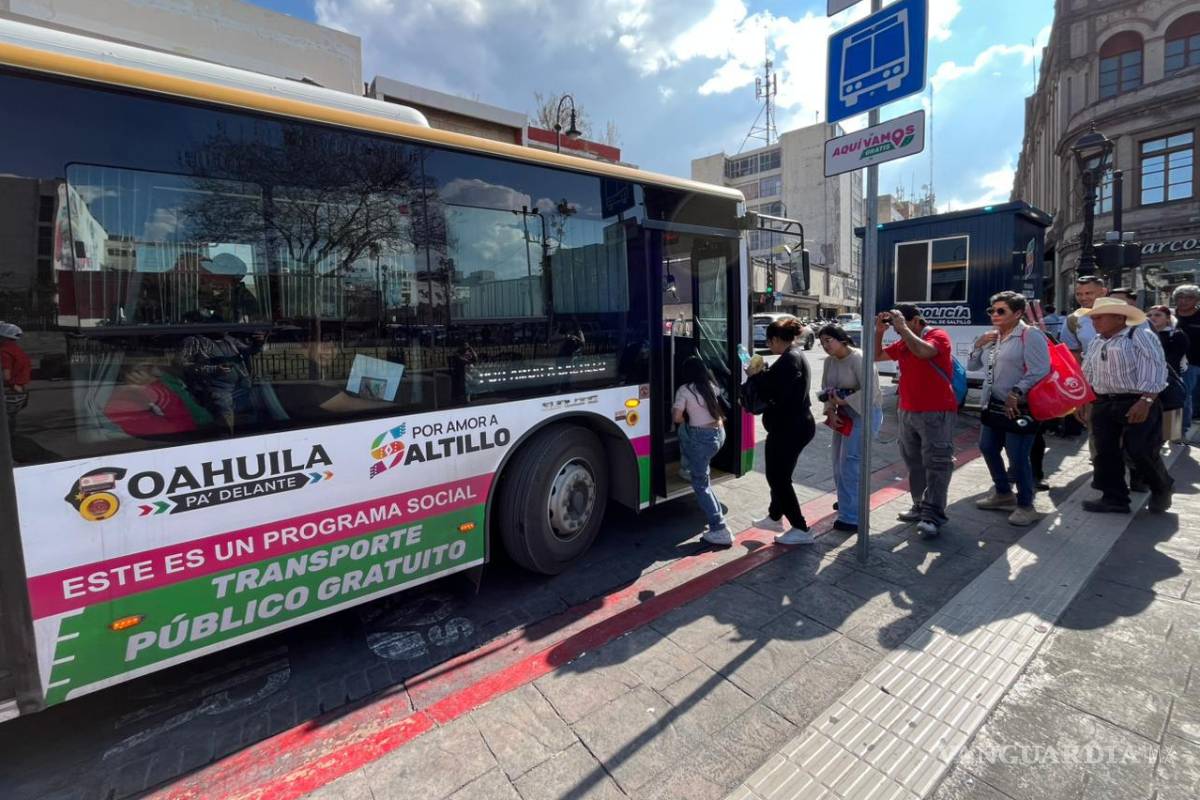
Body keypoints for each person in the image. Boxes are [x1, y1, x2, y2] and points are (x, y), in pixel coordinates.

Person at [1077, 297, 1172, 514]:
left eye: (1099, 317)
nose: (1094, 321)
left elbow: (1156, 369)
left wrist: (1146, 401)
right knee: (1104, 451)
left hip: (1136, 399)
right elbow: (1088, 372)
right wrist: (1084, 400)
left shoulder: (1140, 335)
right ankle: (1114, 498)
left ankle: (1162, 487)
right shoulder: (1097, 341)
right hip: (1104, 401)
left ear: (1119, 318)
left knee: (1140, 450)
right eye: (1093, 317)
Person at [874, 304, 958, 538]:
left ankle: (933, 515)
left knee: (938, 463)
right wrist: (879, 331)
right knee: (914, 462)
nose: (896, 328)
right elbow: (876, 356)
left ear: (915, 321)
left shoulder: (937, 335)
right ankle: (919, 505)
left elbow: (924, 352)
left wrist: (902, 329)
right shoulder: (903, 342)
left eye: (900, 322)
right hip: (908, 411)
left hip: (936, 411)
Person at [968, 292, 1051, 527]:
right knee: (987, 447)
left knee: (1017, 457)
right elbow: (973, 365)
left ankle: (1026, 505)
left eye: (1000, 311)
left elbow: (1040, 369)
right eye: (991, 311)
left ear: (1017, 313)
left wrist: (1017, 391)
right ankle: (1003, 492)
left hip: (1018, 407)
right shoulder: (994, 337)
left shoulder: (1030, 335)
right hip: (992, 404)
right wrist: (978, 344)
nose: (994, 315)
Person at [746, 317, 816, 545]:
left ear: (776, 339)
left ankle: (801, 528)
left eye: (769, 340)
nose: (769, 345)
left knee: (777, 478)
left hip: (789, 428)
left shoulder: (789, 361)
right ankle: (775, 516)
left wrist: (755, 376)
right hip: (794, 425)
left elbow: (775, 393)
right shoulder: (793, 356)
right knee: (780, 476)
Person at [818, 324, 882, 533]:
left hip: (864, 413)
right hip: (843, 416)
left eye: (829, 340)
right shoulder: (829, 362)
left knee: (851, 464)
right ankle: (846, 501)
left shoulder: (859, 358)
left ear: (842, 339)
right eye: (822, 342)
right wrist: (831, 411)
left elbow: (870, 392)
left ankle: (852, 517)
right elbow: (827, 391)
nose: (826, 346)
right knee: (837, 461)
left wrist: (843, 402)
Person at [673, 357, 732, 546]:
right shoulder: (711, 386)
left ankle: (719, 528)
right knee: (704, 480)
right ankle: (718, 522)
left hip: (701, 440)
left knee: (700, 485)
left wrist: (687, 422)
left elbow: (676, 417)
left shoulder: (685, 389)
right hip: (718, 434)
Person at [1148, 304, 1189, 444]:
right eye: (1150, 315)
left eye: (1157, 315)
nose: (1153, 318)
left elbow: (1173, 359)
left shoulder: (1177, 335)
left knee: (1174, 405)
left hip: (1171, 378)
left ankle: (1175, 435)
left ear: (1167, 319)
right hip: (1149, 378)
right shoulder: (1144, 334)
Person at [1171, 284, 1200, 432]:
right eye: (1180, 297)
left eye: (1189, 298)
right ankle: (1178, 428)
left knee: (1188, 395)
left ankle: (1184, 426)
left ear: (1196, 300)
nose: (1184, 301)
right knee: (1181, 395)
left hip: (1195, 362)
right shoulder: (1169, 316)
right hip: (1174, 363)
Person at [0, 322, 31, 444]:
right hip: (20, 391)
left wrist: (12, 385)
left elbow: (5, 376)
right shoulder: (18, 351)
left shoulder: (4, 352)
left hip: (10, 390)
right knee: (11, 419)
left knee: (4, 421)